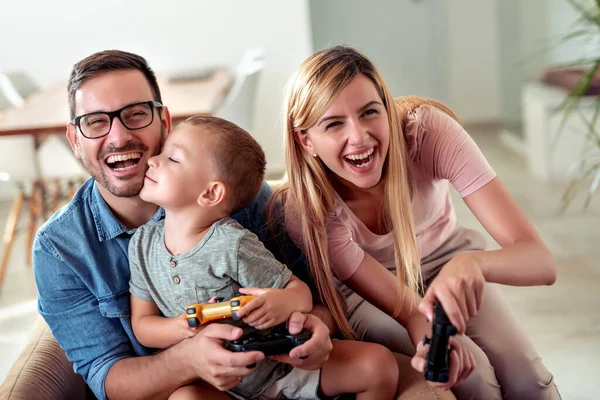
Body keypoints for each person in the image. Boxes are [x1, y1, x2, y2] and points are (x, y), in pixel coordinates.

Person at [32, 50, 334, 400]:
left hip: (282, 375)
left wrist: (315, 328)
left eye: (135, 114)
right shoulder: (60, 249)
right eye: (95, 122)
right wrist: (188, 360)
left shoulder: (234, 195)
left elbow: (315, 295)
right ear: (74, 139)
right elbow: (107, 377)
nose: (118, 137)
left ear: (164, 121)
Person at [275, 46, 562, 400]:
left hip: (449, 262)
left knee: (528, 380)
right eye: (334, 124)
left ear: (387, 108)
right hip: (372, 295)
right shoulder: (307, 210)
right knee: (474, 376)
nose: (359, 136)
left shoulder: (427, 133)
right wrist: (431, 344)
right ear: (306, 141)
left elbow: (540, 262)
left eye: (369, 113)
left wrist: (470, 263)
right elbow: (411, 314)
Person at [129, 115, 401, 399]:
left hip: (279, 367)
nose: (152, 160)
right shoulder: (142, 246)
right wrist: (182, 327)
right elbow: (142, 326)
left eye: (172, 158)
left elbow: (300, 293)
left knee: (380, 365)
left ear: (210, 193)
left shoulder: (233, 244)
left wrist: (281, 302)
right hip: (218, 383)